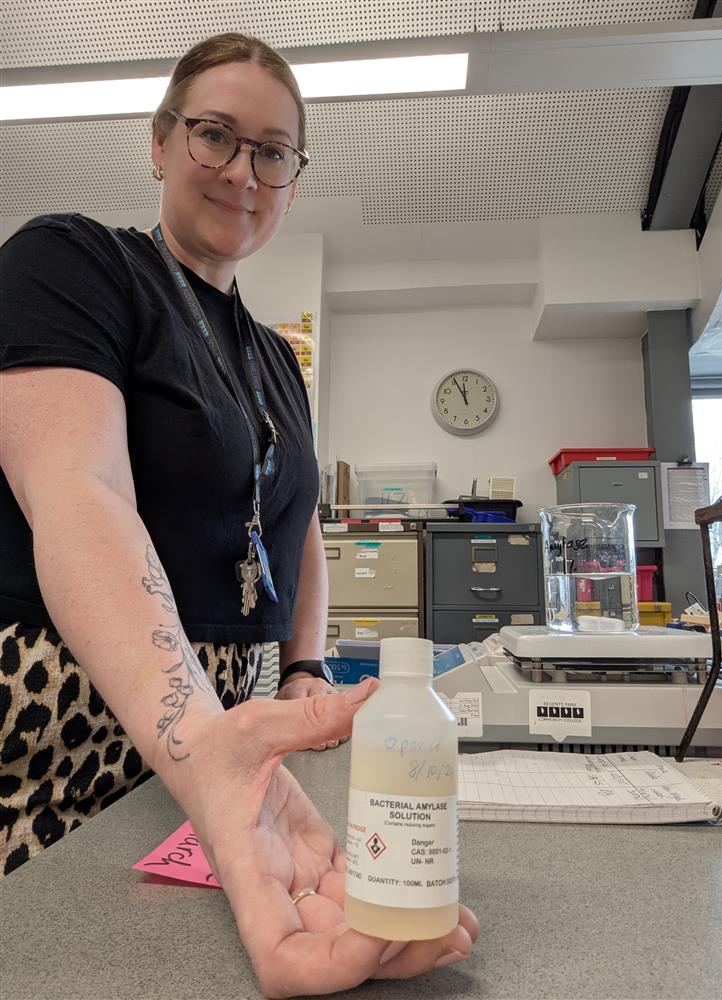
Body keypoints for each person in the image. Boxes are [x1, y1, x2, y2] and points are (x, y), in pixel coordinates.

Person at [0, 31, 478, 997]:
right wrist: (205, 741)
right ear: (160, 142)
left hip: (221, 733)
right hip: (72, 723)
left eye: (273, 152)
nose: (242, 172)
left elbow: (298, 525)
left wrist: (302, 669)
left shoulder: (276, 359)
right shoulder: (74, 263)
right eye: (215, 135)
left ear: (294, 179)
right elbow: (80, 491)